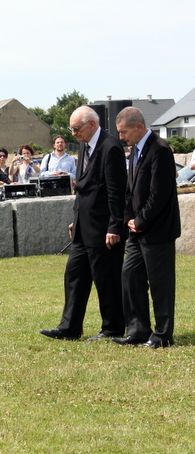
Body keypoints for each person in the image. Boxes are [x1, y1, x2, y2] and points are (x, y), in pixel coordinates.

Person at [40, 106, 127, 342]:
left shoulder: (111, 148)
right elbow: (83, 189)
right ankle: (69, 327)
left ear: (92, 124)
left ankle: (112, 328)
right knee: (74, 275)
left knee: (106, 280)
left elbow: (116, 193)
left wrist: (114, 227)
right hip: (82, 227)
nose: (73, 133)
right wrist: (75, 219)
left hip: (103, 229)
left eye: (76, 128)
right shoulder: (84, 145)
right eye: (71, 128)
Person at [112, 107, 181, 348]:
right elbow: (131, 190)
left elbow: (159, 194)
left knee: (160, 284)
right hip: (137, 232)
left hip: (158, 231)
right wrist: (130, 219)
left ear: (139, 127)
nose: (121, 137)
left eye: (124, 132)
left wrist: (141, 221)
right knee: (130, 276)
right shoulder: (134, 151)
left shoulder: (159, 150)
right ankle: (138, 330)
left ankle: (163, 336)